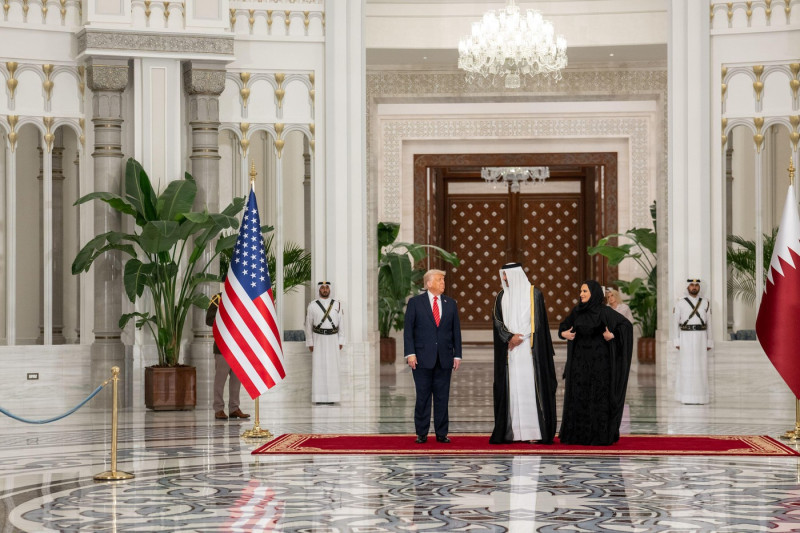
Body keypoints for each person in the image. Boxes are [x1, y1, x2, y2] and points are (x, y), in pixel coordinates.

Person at [558, 280, 633, 445]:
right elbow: (563, 326)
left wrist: (612, 336)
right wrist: (564, 334)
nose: (581, 294)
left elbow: (626, 326)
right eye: (580, 291)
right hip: (579, 364)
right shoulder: (577, 311)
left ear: (594, 293)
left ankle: (598, 436)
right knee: (579, 395)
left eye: (584, 291)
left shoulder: (604, 312)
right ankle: (578, 435)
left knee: (597, 397)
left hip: (600, 364)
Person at [490, 263, 558, 444]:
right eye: (502, 275)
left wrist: (522, 337)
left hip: (529, 349)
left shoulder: (534, 294)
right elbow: (497, 321)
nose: (504, 279)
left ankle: (533, 433)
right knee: (513, 390)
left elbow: (539, 321)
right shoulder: (501, 296)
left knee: (529, 389)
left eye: (506, 275)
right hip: (510, 351)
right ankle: (515, 432)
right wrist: (509, 337)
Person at [403, 269, 462, 444]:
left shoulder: (451, 303)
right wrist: (410, 354)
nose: (443, 282)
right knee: (423, 396)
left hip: (444, 358)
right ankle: (421, 432)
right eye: (439, 280)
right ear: (429, 283)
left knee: (443, 396)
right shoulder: (415, 303)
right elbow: (408, 332)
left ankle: (441, 433)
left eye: (443, 280)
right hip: (421, 358)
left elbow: (455, 332)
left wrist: (457, 355)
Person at [206, 293, 250, 421]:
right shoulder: (218, 298)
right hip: (222, 346)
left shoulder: (243, 298)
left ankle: (234, 408)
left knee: (237, 380)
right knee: (220, 379)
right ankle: (219, 409)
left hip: (238, 346)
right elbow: (209, 320)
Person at [304, 281, 346, 405]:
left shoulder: (337, 305)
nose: (325, 290)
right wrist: (310, 342)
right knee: (319, 367)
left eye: (327, 287)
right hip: (318, 339)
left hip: (333, 338)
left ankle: (332, 396)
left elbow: (341, 323)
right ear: (319, 290)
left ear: (330, 289)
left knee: (333, 367)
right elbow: (308, 325)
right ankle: (319, 397)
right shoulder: (312, 305)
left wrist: (341, 340)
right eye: (322, 288)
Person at [673, 278, 713, 404]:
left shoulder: (706, 302)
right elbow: (675, 324)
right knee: (686, 366)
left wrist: (709, 341)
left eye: (696, 285)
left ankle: (701, 397)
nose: (694, 287)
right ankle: (685, 396)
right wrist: (677, 341)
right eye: (691, 285)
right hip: (685, 337)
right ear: (687, 287)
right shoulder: (680, 303)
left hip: (701, 337)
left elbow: (709, 324)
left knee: (701, 367)